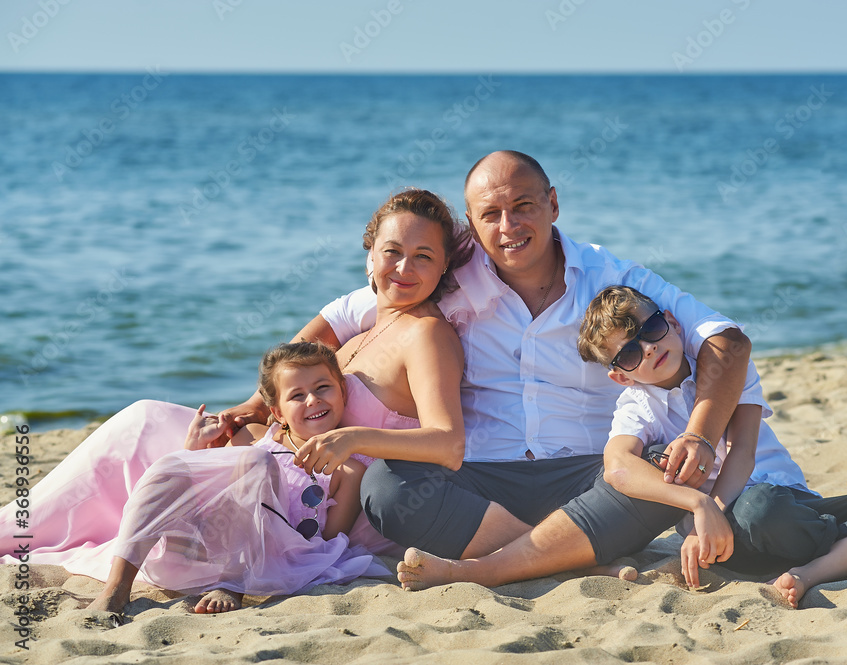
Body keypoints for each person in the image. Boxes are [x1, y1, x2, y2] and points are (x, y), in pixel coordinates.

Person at [268, 150, 755, 588]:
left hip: (591, 481)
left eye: (523, 206)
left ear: (553, 204)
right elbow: (344, 314)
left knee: (663, 468)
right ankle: (565, 560)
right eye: (491, 214)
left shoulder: (613, 281)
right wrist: (260, 399)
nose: (509, 226)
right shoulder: (445, 276)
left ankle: (493, 568)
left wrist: (700, 436)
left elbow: (727, 344)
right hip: (484, 486)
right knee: (386, 487)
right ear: (472, 224)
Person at [1, 189, 473, 612]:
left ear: (443, 266)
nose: (404, 268)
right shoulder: (367, 318)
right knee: (144, 420)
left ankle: (25, 534)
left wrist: (353, 439)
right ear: (370, 255)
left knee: (183, 454)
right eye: (392, 252)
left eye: (423, 256)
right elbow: (283, 376)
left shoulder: (427, 334)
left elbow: (448, 443)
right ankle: (15, 528)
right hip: (283, 460)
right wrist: (249, 413)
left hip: (322, 501)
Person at [576, 285, 847, 607]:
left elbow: (742, 451)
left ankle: (838, 559)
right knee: (758, 510)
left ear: (672, 321)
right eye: (629, 353)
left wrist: (712, 505)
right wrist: (699, 505)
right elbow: (618, 466)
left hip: (792, 506)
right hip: (728, 539)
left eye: (652, 329)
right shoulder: (638, 408)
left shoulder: (724, 365)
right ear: (620, 376)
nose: (648, 348)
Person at [88, 342, 385, 615]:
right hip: (206, 542)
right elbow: (212, 489)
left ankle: (233, 583)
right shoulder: (253, 436)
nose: (312, 400)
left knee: (258, 462)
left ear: (342, 392)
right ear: (278, 412)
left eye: (323, 388)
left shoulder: (349, 471)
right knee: (170, 468)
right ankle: (117, 587)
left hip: (274, 556)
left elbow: (326, 542)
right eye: (297, 395)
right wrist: (194, 447)